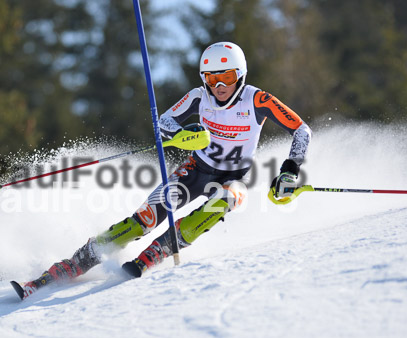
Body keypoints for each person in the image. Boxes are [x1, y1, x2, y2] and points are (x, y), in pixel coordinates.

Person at [17, 41, 311, 298]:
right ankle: (72, 264)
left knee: (226, 200)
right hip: (195, 170)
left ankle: (158, 250)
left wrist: (289, 170)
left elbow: (302, 131)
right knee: (142, 220)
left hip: (233, 178)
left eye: (227, 77)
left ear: (241, 75)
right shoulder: (200, 96)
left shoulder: (257, 100)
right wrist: (185, 132)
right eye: (212, 78)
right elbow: (165, 123)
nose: (219, 86)